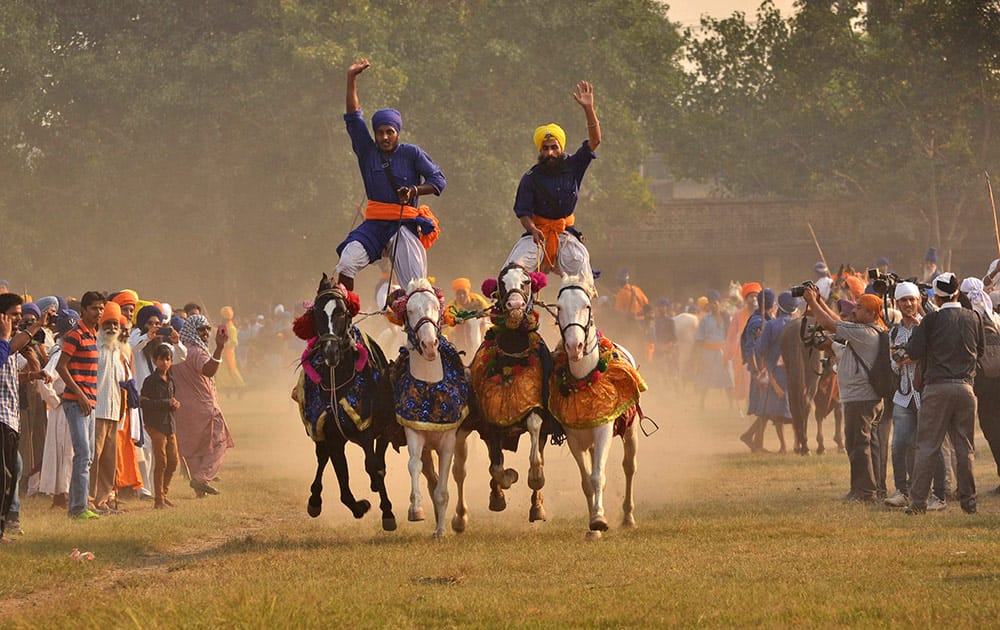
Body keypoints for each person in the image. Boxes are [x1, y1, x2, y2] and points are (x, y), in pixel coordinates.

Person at [334, 58, 447, 293]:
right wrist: (351, 78)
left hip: (403, 224)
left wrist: (415, 190)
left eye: (389, 132)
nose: (384, 137)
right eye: (380, 133)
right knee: (346, 262)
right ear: (374, 134)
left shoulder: (411, 153)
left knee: (417, 288)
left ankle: (421, 328)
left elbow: (438, 182)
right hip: (374, 226)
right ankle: (346, 318)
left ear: (397, 133)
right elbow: (354, 119)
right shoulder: (367, 152)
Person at [903, 272, 984, 515]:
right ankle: (969, 503)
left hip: (937, 388)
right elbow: (979, 351)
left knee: (927, 446)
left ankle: (917, 503)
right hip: (965, 389)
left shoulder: (931, 320)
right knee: (964, 448)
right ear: (957, 293)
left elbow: (914, 351)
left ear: (936, 297)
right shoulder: (974, 317)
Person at [503, 81, 601, 280]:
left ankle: (585, 311)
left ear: (561, 148)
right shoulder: (530, 178)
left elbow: (595, 141)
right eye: (545, 148)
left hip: (565, 235)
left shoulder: (574, 165)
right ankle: (508, 309)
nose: (550, 152)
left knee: (584, 272)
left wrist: (589, 109)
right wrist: (532, 229)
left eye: (554, 147)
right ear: (540, 150)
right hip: (537, 236)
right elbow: (523, 212)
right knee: (511, 273)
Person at [803, 285, 885, 502]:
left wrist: (811, 302)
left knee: (858, 446)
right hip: (865, 397)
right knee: (863, 445)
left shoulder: (863, 332)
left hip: (860, 398)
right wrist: (819, 301)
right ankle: (866, 489)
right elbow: (836, 321)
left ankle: (864, 492)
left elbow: (830, 324)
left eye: (859, 308)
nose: (854, 311)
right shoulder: (868, 330)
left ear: (871, 314)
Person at [883, 282, 946, 510]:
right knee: (899, 444)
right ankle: (902, 490)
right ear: (897, 303)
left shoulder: (929, 328)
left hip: (925, 394)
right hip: (903, 395)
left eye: (911, 300)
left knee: (930, 445)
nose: (908, 304)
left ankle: (938, 494)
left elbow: (936, 356)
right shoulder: (894, 332)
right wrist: (900, 361)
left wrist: (914, 356)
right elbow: (892, 364)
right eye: (903, 301)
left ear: (919, 301)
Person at [0, 294, 50, 541]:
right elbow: (8, 350)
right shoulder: (4, 342)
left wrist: (32, 376)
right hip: (1, 418)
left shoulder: (7, 341)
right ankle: (8, 522)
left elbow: (8, 377)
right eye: (14, 314)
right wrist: (37, 326)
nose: (18, 319)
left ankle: (10, 519)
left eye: (20, 314)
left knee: (14, 468)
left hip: (9, 417)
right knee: (7, 473)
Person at [55, 291, 105, 519]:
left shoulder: (93, 334)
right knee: (83, 453)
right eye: (94, 308)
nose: (99, 312)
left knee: (89, 455)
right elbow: (61, 366)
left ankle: (79, 504)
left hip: (89, 401)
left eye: (101, 308)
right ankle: (78, 508)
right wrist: (80, 394)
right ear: (83, 310)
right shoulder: (75, 335)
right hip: (76, 402)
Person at [173, 315, 234, 497]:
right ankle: (202, 478)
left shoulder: (178, 351)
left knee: (194, 448)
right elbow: (208, 370)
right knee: (219, 442)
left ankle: (200, 491)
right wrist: (220, 348)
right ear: (192, 331)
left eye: (207, 328)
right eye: (201, 330)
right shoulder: (196, 351)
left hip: (183, 407)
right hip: (203, 406)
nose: (206, 333)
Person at [89, 301, 126, 514]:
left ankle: (103, 501)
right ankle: (90, 500)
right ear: (101, 324)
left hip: (113, 412)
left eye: (115, 323)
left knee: (109, 461)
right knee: (94, 458)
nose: (112, 327)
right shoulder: (95, 347)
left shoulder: (115, 349)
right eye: (108, 323)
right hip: (97, 410)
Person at [140, 343, 181, 509]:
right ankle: (159, 500)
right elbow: (144, 402)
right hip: (156, 425)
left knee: (173, 461)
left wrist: (175, 404)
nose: (165, 362)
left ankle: (163, 494)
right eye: (161, 359)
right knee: (161, 462)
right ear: (155, 361)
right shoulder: (150, 381)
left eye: (168, 359)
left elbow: (172, 399)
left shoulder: (171, 380)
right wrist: (166, 403)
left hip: (170, 424)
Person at [443, 278, 491, 365]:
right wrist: (455, 320)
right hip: (459, 332)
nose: (461, 296)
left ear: (468, 292)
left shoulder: (477, 300)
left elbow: (488, 311)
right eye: (459, 293)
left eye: (463, 292)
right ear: (455, 294)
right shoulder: (452, 306)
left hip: (480, 328)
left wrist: (484, 314)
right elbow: (448, 318)